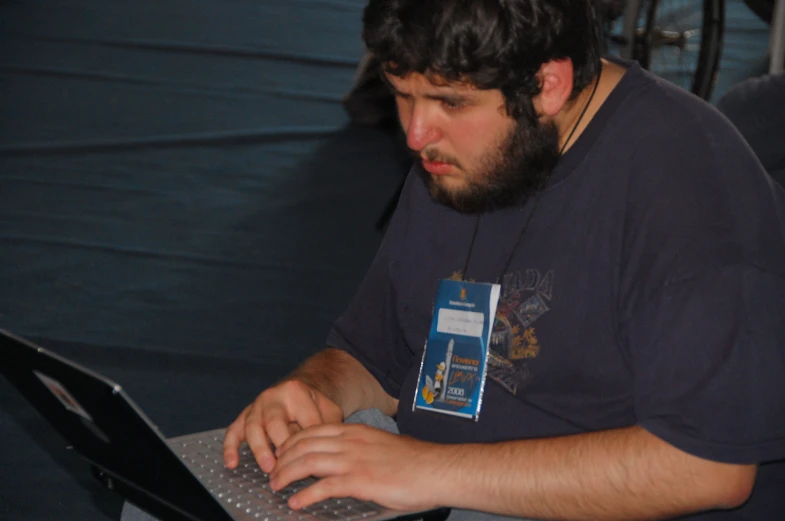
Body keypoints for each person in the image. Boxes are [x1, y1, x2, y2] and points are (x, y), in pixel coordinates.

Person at [123, 1, 785, 520]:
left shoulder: (691, 195)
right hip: (429, 474)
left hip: (570, 503)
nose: (414, 133)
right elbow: (373, 357)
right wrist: (317, 392)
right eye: (400, 93)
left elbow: (709, 470)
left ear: (547, 84)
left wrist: (423, 471)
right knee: (170, 500)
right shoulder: (464, 155)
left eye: (448, 102)